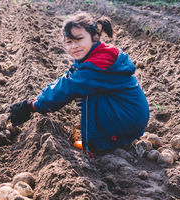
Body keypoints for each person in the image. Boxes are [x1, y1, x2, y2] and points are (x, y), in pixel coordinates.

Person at [8, 12, 149, 153]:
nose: (74, 46)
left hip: (126, 120)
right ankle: (115, 138)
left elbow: (65, 88)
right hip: (130, 117)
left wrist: (31, 106)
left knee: (85, 95)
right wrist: (35, 101)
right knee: (83, 90)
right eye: (69, 42)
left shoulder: (96, 64)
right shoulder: (99, 54)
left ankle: (100, 146)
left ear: (95, 37)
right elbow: (68, 78)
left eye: (79, 39)